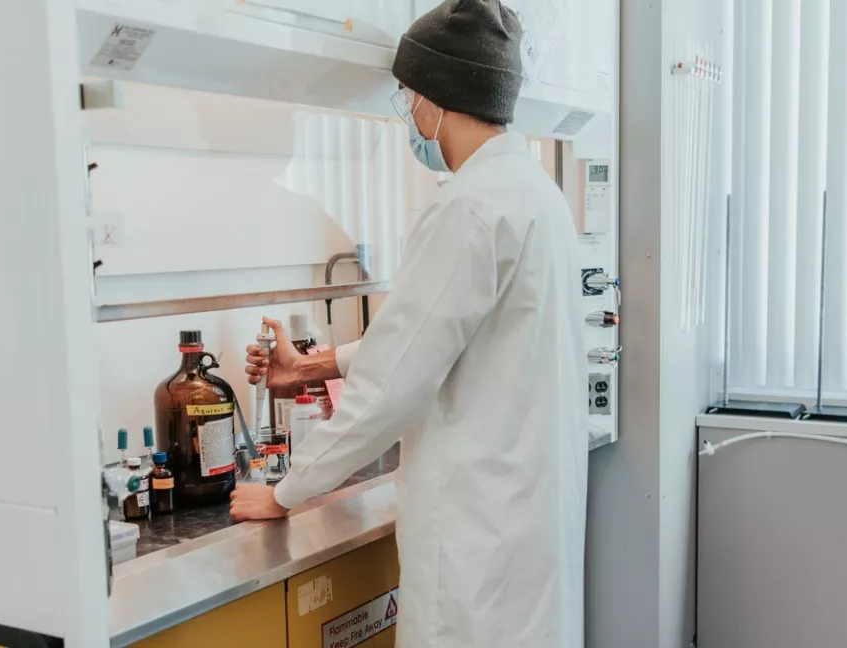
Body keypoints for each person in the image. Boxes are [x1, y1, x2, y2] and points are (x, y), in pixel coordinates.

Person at [231, 1, 588, 645]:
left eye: (408, 95)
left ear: (437, 99)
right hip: (523, 528)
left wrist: (286, 492)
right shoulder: (536, 196)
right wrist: (311, 365)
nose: (410, 112)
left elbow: (390, 388)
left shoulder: (470, 208)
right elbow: (434, 337)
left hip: (478, 545)